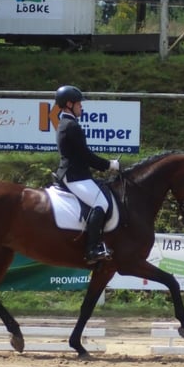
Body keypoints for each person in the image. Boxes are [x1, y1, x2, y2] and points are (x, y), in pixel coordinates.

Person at [53, 85, 120, 264]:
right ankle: (92, 249)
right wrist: (109, 165)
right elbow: (85, 155)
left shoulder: (67, 123)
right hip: (74, 175)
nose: (81, 107)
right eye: (78, 104)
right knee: (101, 203)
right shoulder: (71, 126)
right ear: (69, 104)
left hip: (78, 173)